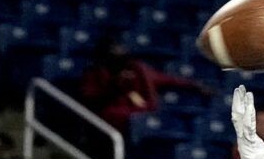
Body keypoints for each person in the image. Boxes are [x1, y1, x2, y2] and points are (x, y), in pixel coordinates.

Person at [77, 33, 208, 134]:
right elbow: (90, 97)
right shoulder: (95, 73)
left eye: (119, 48)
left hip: (144, 115)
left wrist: (195, 85)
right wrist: (115, 84)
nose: (119, 51)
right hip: (114, 120)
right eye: (113, 49)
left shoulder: (139, 70)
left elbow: (169, 80)